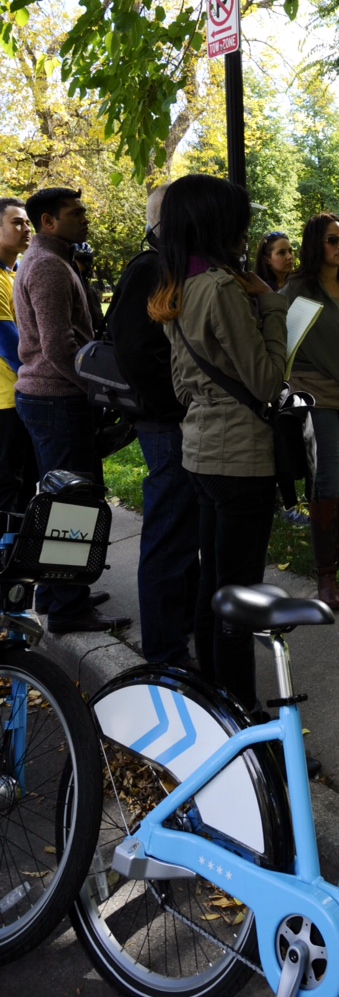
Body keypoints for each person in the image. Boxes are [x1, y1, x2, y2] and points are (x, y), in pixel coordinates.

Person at [148, 175, 287, 712]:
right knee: (237, 596)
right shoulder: (224, 288)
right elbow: (268, 379)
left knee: (212, 583)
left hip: (202, 451)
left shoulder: (179, 284)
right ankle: (242, 715)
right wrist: (273, 307)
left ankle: (215, 699)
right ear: (218, 223)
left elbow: (185, 382)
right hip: (240, 458)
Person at [14, 187, 127, 633]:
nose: (85, 219)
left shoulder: (50, 261)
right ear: (49, 222)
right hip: (56, 398)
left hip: (50, 397)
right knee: (72, 505)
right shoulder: (47, 267)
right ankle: (67, 608)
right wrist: (96, 388)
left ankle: (58, 591)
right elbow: (58, 345)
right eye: (75, 213)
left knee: (63, 499)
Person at [108, 185, 200, 667]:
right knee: (168, 536)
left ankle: (181, 623)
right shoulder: (151, 268)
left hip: (174, 421)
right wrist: (179, 408)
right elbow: (136, 353)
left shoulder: (171, 265)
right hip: (166, 426)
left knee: (182, 532)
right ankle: (165, 651)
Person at [282, 213, 339, 610]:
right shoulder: (298, 288)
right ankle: (325, 576)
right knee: (328, 476)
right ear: (315, 244)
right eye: (333, 240)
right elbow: (283, 340)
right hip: (315, 393)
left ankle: (336, 552)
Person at [254, 229, 309, 527]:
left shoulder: (301, 286)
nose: (289, 257)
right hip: (275, 377)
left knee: (306, 440)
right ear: (266, 258)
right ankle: (288, 504)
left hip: (303, 373)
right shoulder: (257, 291)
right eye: (281, 253)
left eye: (290, 251)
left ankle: (314, 501)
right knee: (281, 441)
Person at [0, 197, 38, 528]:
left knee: (23, 488)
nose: (26, 228)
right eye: (17, 222)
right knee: (7, 491)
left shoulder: (13, 274)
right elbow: (11, 346)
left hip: (17, 397)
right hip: (6, 404)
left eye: (27, 221)